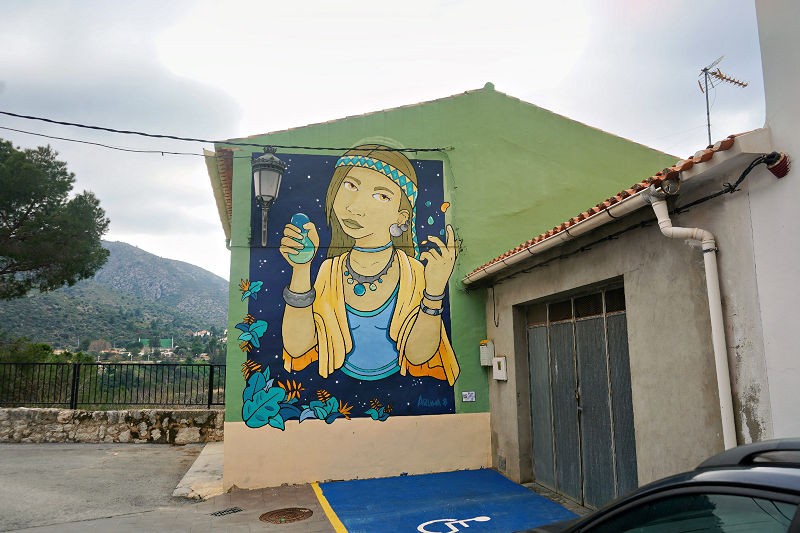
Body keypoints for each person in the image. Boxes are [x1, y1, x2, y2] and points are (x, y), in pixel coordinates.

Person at [279, 144, 459, 385]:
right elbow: (298, 346)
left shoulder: (414, 272)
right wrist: (301, 269)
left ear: (401, 217)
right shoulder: (329, 271)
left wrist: (434, 291)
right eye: (350, 186)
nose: (355, 207)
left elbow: (418, 356)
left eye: (381, 196)